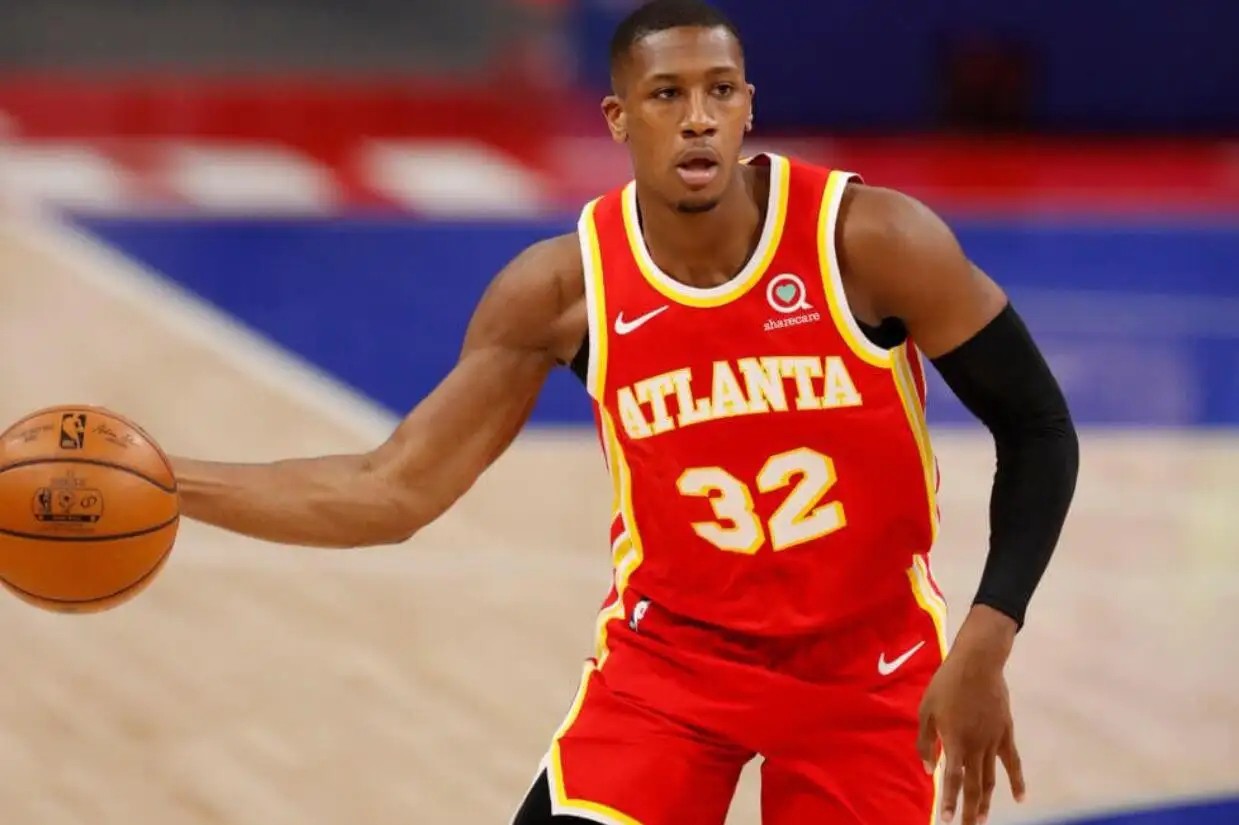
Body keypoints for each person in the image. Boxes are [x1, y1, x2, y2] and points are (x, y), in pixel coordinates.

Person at [171, 1, 1079, 823]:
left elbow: (1037, 427)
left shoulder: (869, 242)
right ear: (617, 117)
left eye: (719, 91)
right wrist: (166, 482)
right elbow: (391, 488)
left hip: (867, 670)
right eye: (666, 94)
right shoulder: (562, 290)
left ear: (747, 107)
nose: (697, 117)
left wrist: (987, 634)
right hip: (671, 671)